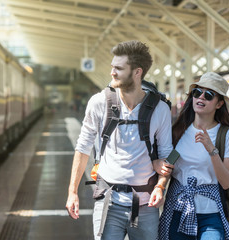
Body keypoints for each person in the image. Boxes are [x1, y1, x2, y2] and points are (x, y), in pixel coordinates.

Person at [65, 40, 173, 240]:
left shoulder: (160, 109)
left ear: (137, 72)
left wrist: (161, 186)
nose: (112, 72)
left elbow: (167, 155)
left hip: (146, 205)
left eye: (119, 68)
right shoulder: (99, 103)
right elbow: (83, 148)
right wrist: (73, 192)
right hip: (107, 202)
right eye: (112, 67)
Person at [158, 72, 229, 240]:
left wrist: (212, 150)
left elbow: (226, 182)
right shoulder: (179, 131)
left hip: (211, 214)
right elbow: (169, 166)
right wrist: (159, 186)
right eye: (197, 93)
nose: (201, 97)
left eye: (209, 95)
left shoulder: (226, 135)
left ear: (219, 104)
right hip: (177, 209)